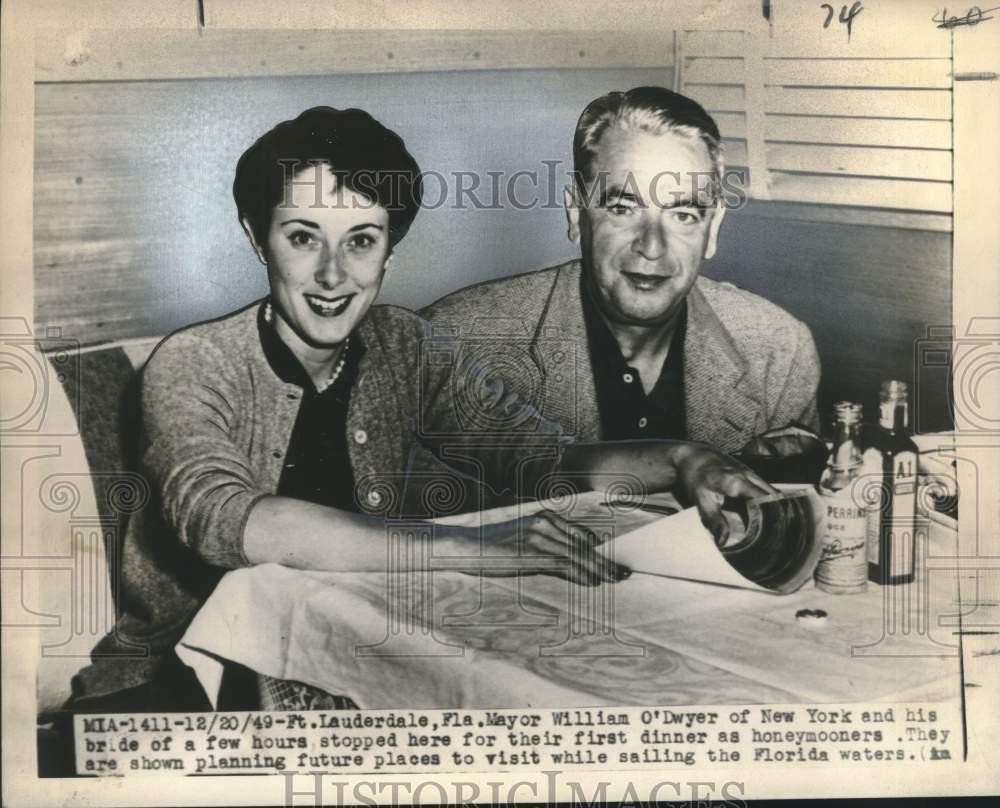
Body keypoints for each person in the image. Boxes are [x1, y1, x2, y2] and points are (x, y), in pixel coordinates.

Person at [65, 106, 771, 716]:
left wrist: (685, 459)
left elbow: (541, 460)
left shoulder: (404, 345)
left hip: (352, 663)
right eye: (303, 237)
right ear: (257, 238)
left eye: (362, 240)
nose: (334, 274)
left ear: (389, 254)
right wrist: (479, 548)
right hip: (186, 688)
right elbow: (231, 521)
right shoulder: (194, 362)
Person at [422, 86, 821, 455]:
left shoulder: (777, 351)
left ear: (712, 228)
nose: (651, 246)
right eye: (622, 209)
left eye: (682, 215)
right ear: (576, 214)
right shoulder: (452, 346)